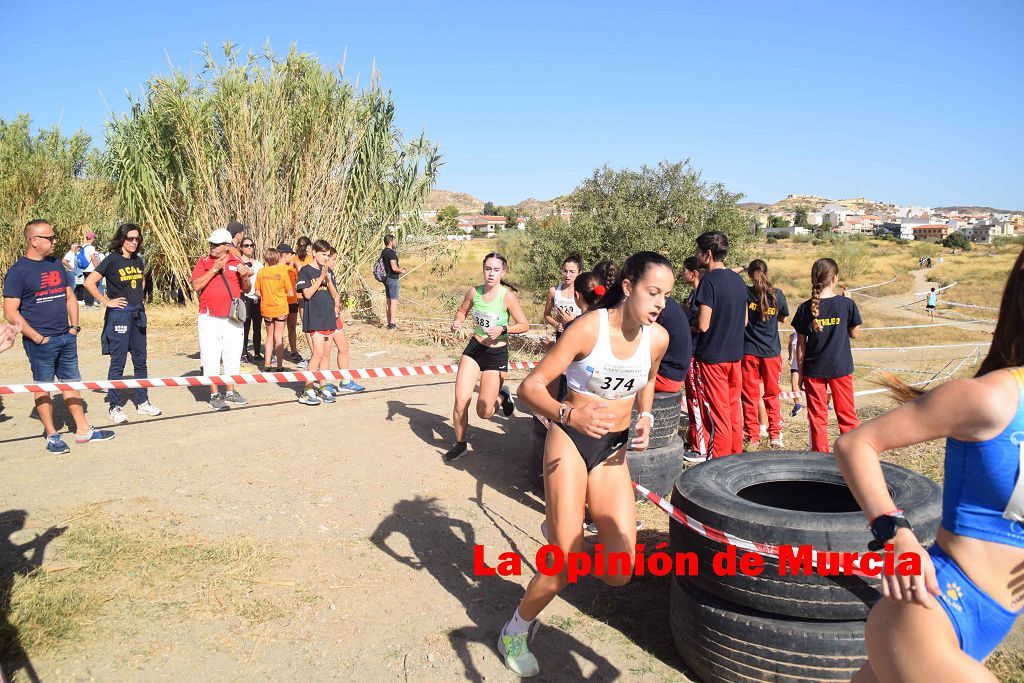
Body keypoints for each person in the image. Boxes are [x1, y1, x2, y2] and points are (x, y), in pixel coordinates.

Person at [834, 247, 1024, 682]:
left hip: (990, 623)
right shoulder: (992, 398)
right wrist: (896, 536)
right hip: (932, 608)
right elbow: (856, 444)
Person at [501, 251, 672, 676]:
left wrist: (645, 415)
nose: (660, 303)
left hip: (612, 450)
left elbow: (648, 377)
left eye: (667, 296)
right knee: (563, 564)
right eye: (653, 292)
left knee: (619, 571)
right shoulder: (587, 329)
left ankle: (565, 532)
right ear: (629, 286)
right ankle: (516, 628)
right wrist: (569, 414)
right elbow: (530, 387)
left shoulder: (658, 337)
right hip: (570, 440)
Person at [2, 219, 115, 453]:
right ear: (34, 241)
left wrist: (74, 328)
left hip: (66, 336)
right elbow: (10, 311)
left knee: (72, 382)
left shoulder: (56, 265)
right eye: (50, 238)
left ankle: (83, 430)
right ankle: (51, 435)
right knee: (43, 387)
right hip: (39, 343)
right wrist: (37, 337)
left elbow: (70, 297)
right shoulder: (18, 272)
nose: (55, 241)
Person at [444, 252, 530, 462]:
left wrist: (503, 328)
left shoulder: (507, 295)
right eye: (487, 269)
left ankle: (503, 396)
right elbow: (462, 311)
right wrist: (457, 322)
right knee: (460, 400)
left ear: (503, 272)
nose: (491, 274)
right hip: (474, 349)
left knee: (484, 411)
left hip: (496, 354)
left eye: (496, 270)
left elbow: (524, 325)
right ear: (483, 269)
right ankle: (460, 443)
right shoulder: (474, 292)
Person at [84, 223, 161, 423]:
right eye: (130, 238)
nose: (134, 242)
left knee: (140, 360)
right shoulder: (111, 260)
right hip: (119, 316)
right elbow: (89, 282)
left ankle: (143, 402)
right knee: (118, 362)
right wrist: (107, 302)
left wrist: (139, 297)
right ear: (122, 239)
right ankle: (115, 406)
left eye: (137, 239)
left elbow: (141, 281)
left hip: (138, 315)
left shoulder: (138, 260)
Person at [792, 257, 862, 453]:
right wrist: (849, 302)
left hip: (814, 370)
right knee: (847, 414)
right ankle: (853, 455)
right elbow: (855, 335)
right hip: (840, 368)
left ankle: (819, 458)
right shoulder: (846, 304)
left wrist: (799, 374)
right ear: (835, 278)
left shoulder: (805, 308)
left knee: (817, 416)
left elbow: (800, 348)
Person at [692, 231, 748, 457]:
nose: (695, 255)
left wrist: (690, 324)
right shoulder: (738, 280)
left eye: (697, 251)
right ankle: (735, 457)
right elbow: (744, 320)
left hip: (713, 357)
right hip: (735, 356)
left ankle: (720, 464)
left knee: (718, 415)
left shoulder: (709, 282)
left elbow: (703, 324)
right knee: (734, 410)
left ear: (707, 254)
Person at [190, 228, 251, 411]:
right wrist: (214, 270)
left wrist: (244, 276)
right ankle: (214, 394)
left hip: (232, 317)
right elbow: (196, 285)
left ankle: (230, 391)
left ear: (227, 246)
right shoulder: (204, 261)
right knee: (211, 355)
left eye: (217, 245)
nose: (213, 248)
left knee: (232, 354)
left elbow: (246, 289)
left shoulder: (237, 261)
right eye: (211, 244)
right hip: (209, 317)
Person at [741, 259, 789, 449]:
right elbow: (783, 318)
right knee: (772, 394)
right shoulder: (777, 295)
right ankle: (775, 435)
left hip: (749, 351)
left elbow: (725, 273)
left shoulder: (745, 292)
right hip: (770, 351)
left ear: (750, 276)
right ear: (767, 274)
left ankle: (752, 435)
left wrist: (743, 268)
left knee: (750, 395)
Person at [296, 239, 344, 406]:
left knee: (326, 354)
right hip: (314, 316)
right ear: (314, 253)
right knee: (317, 352)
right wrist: (320, 278)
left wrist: (328, 278)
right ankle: (308, 388)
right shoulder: (305, 271)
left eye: (328, 255)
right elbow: (307, 294)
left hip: (328, 316)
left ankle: (323, 385)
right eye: (323, 254)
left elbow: (333, 294)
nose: (326, 257)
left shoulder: (328, 272)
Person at [323, 247, 365, 395]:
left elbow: (335, 293)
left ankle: (345, 381)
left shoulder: (331, 273)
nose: (335, 262)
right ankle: (325, 382)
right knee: (325, 352)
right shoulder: (319, 274)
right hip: (324, 317)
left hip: (335, 316)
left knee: (344, 347)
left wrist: (337, 306)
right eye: (333, 259)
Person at [254, 247, 292, 372]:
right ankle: (279, 366)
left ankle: (267, 364)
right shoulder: (282, 272)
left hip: (267, 308)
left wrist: (267, 294)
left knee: (269, 336)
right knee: (278, 336)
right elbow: (290, 293)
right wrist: (279, 295)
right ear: (277, 257)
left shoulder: (261, 272)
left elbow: (257, 292)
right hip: (280, 307)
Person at [543, 253, 583, 336]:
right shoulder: (553, 291)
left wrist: (573, 321)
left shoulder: (583, 291)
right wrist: (556, 324)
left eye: (572, 272)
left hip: (579, 333)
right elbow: (547, 314)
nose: (567, 275)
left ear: (579, 273)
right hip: (561, 334)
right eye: (565, 271)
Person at [276, 243, 304, 364]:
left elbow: (300, 279)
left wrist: (298, 267)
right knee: (278, 329)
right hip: (280, 301)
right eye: (290, 254)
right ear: (285, 255)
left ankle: (293, 351)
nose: (292, 257)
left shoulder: (292, 267)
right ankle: (276, 352)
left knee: (291, 327)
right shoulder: (275, 267)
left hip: (292, 301)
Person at [240, 237, 263, 363]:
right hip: (245, 298)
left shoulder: (259, 264)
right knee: (245, 326)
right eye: (246, 245)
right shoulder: (239, 263)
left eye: (251, 245)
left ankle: (257, 353)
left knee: (258, 327)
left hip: (257, 298)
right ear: (241, 247)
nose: (249, 248)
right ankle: (243, 353)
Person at [382, 234, 406, 329]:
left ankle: (389, 323)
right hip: (392, 279)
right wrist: (401, 270)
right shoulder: (391, 252)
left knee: (388, 301)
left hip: (386, 279)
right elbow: (394, 267)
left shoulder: (383, 252)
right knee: (393, 302)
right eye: (393, 241)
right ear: (390, 242)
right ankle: (392, 323)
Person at [79, 231, 101, 307]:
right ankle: (90, 303)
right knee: (92, 286)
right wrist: (97, 268)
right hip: (91, 269)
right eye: (94, 238)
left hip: (84, 269)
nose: (94, 239)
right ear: (92, 238)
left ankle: (87, 303)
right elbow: (93, 259)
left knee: (86, 286)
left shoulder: (83, 246)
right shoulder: (91, 248)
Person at [787, 332, 803, 416]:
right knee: (794, 386)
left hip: (806, 364)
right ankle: (797, 405)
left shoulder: (808, 335)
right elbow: (790, 345)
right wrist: (790, 356)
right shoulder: (792, 336)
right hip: (795, 364)